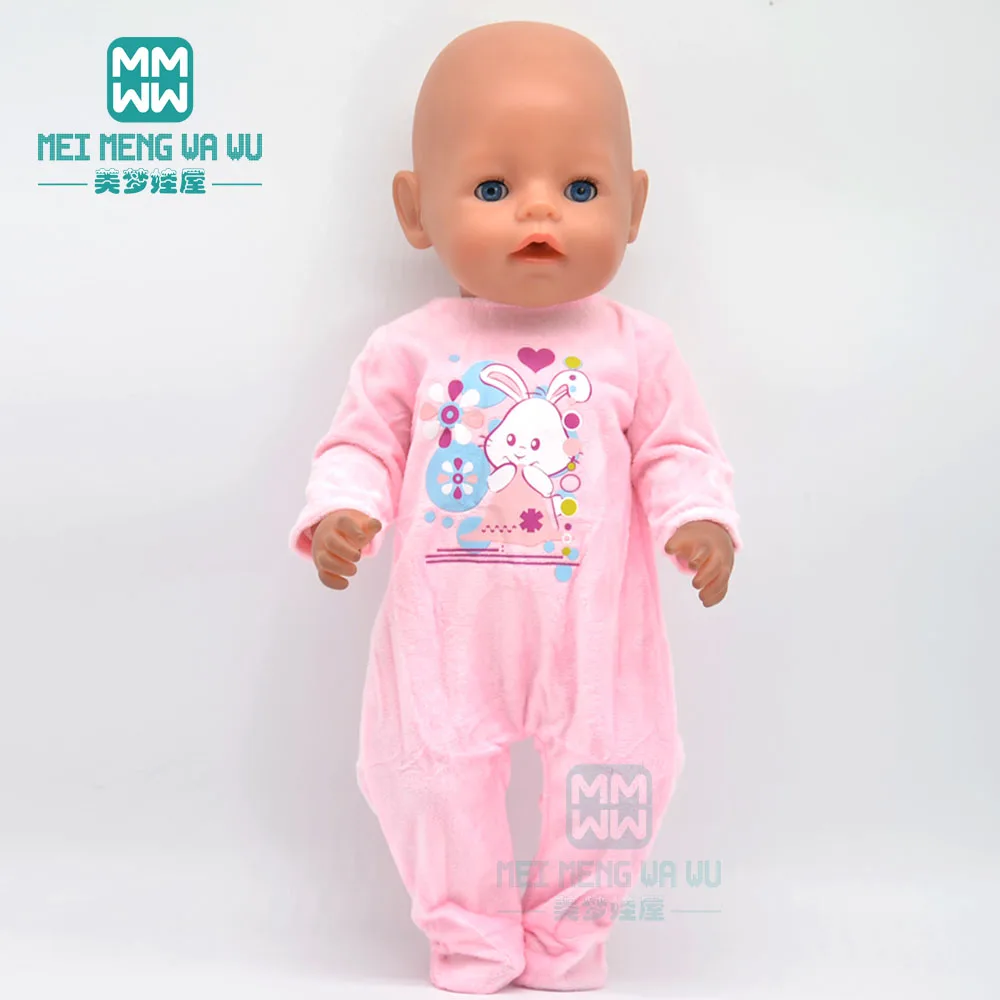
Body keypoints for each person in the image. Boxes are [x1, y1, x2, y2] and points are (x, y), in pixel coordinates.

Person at [289, 21, 741, 993]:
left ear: (634, 207)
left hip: (595, 631)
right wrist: (344, 511)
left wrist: (696, 519)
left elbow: (678, 448)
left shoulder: (635, 347)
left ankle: (571, 939)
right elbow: (360, 443)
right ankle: (470, 934)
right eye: (493, 188)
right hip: (443, 631)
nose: (540, 209)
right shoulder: (409, 347)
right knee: (422, 770)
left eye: (580, 188)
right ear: (416, 209)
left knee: (624, 768)